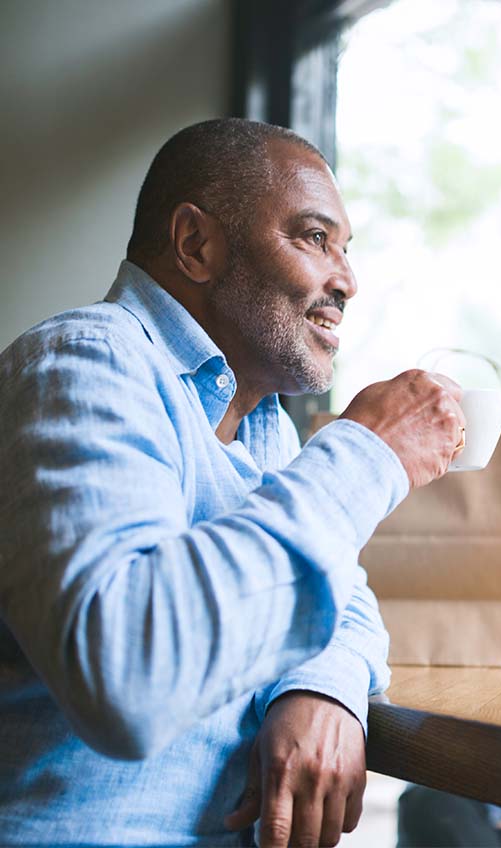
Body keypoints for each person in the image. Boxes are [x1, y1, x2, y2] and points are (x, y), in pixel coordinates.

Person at [0, 118, 466, 847]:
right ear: (196, 244)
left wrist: (321, 687)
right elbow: (127, 675)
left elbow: (348, 609)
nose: (346, 279)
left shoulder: (265, 426)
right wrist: (369, 453)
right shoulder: (83, 364)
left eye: (346, 250)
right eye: (314, 238)